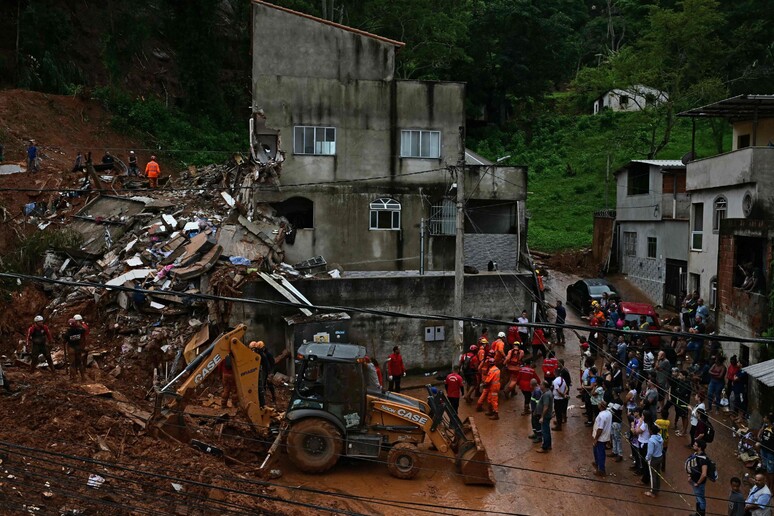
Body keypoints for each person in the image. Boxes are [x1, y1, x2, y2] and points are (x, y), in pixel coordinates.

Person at [687, 439, 710, 516]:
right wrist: (690, 476)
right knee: (698, 498)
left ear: (699, 448)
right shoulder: (696, 455)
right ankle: (697, 513)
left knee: (701, 499)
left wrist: (698, 483)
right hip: (695, 481)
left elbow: (704, 474)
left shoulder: (703, 459)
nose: (693, 445)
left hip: (699, 483)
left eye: (695, 445)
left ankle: (701, 514)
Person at [64, 315, 89, 381]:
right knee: (79, 363)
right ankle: (83, 377)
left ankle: (74, 378)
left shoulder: (68, 332)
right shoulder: (79, 330)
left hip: (71, 348)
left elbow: (64, 341)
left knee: (72, 364)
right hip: (78, 348)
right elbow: (84, 330)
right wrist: (79, 325)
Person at [592, 399, 612, 476]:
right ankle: (597, 463)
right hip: (605, 436)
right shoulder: (609, 413)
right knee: (596, 451)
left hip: (600, 437)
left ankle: (601, 469)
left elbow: (600, 429)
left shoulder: (601, 416)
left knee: (600, 452)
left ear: (601, 406)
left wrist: (596, 439)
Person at [644, 422, 664, 497]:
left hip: (654, 459)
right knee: (658, 473)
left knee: (653, 475)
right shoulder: (660, 437)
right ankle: (657, 488)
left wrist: (647, 458)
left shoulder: (651, 441)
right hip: (660, 456)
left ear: (651, 431)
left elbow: (650, 452)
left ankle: (653, 492)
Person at [535, 379, 554, 453]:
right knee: (547, 431)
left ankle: (544, 447)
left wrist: (542, 417)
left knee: (545, 431)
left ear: (544, 386)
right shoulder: (547, 392)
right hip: (547, 415)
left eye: (541, 384)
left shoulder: (546, 394)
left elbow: (545, 406)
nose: (540, 385)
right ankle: (548, 445)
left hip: (545, 416)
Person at [757, 413, 774, 489]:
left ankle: (771, 487)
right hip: (763, 450)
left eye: (765, 417)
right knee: (766, 468)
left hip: (770, 453)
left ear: (769, 420)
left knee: (770, 471)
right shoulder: (765, 427)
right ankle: (767, 483)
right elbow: (759, 436)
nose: (764, 418)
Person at [552, 367, 569, 431]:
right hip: (561, 399)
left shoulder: (555, 381)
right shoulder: (562, 379)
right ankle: (559, 422)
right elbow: (567, 388)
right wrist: (564, 394)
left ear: (555, 373)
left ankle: (559, 426)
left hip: (558, 398)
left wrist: (563, 395)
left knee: (557, 412)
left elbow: (558, 391)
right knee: (560, 411)